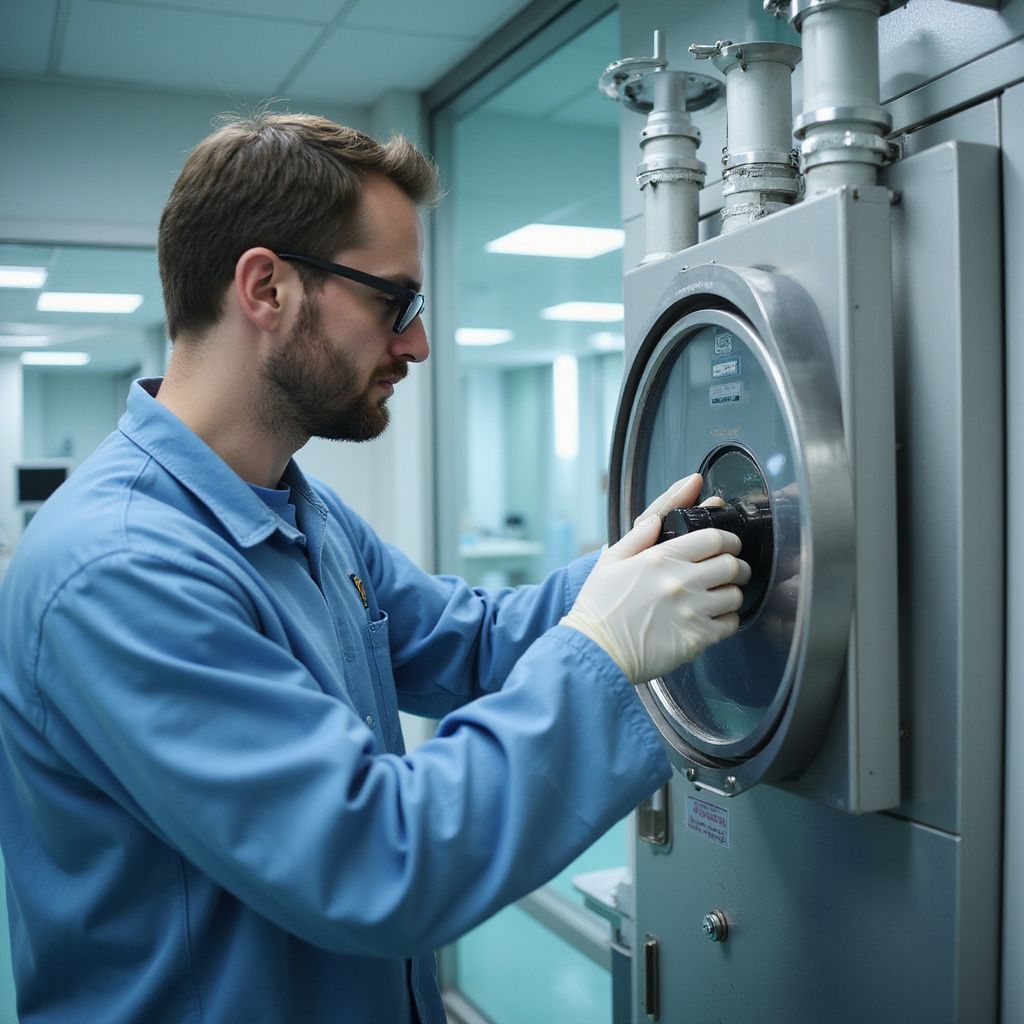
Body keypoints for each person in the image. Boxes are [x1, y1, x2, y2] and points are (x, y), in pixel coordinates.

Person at [0, 113, 749, 1024]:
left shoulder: (293, 509)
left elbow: (470, 642)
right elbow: (375, 861)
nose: (417, 345)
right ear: (266, 288)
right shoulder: (119, 569)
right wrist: (602, 652)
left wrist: (651, 559)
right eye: (395, 302)